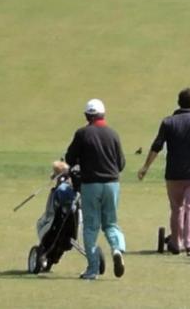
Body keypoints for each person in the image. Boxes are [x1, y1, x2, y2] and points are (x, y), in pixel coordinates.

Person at [137, 87, 190, 257]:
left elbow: (157, 146)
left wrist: (145, 167)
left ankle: (176, 243)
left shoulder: (168, 122)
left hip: (174, 174)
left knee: (177, 209)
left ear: (178, 102)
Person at [65, 98, 127, 279]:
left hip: (90, 185)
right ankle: (117, 249)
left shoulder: (82, 134)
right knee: (111, 224)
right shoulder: (113, 134)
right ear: (103, 115)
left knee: (91, 227)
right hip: (112, 185)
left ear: (87, 116)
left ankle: (92, 269)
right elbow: (121, 163)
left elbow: (70, 158)